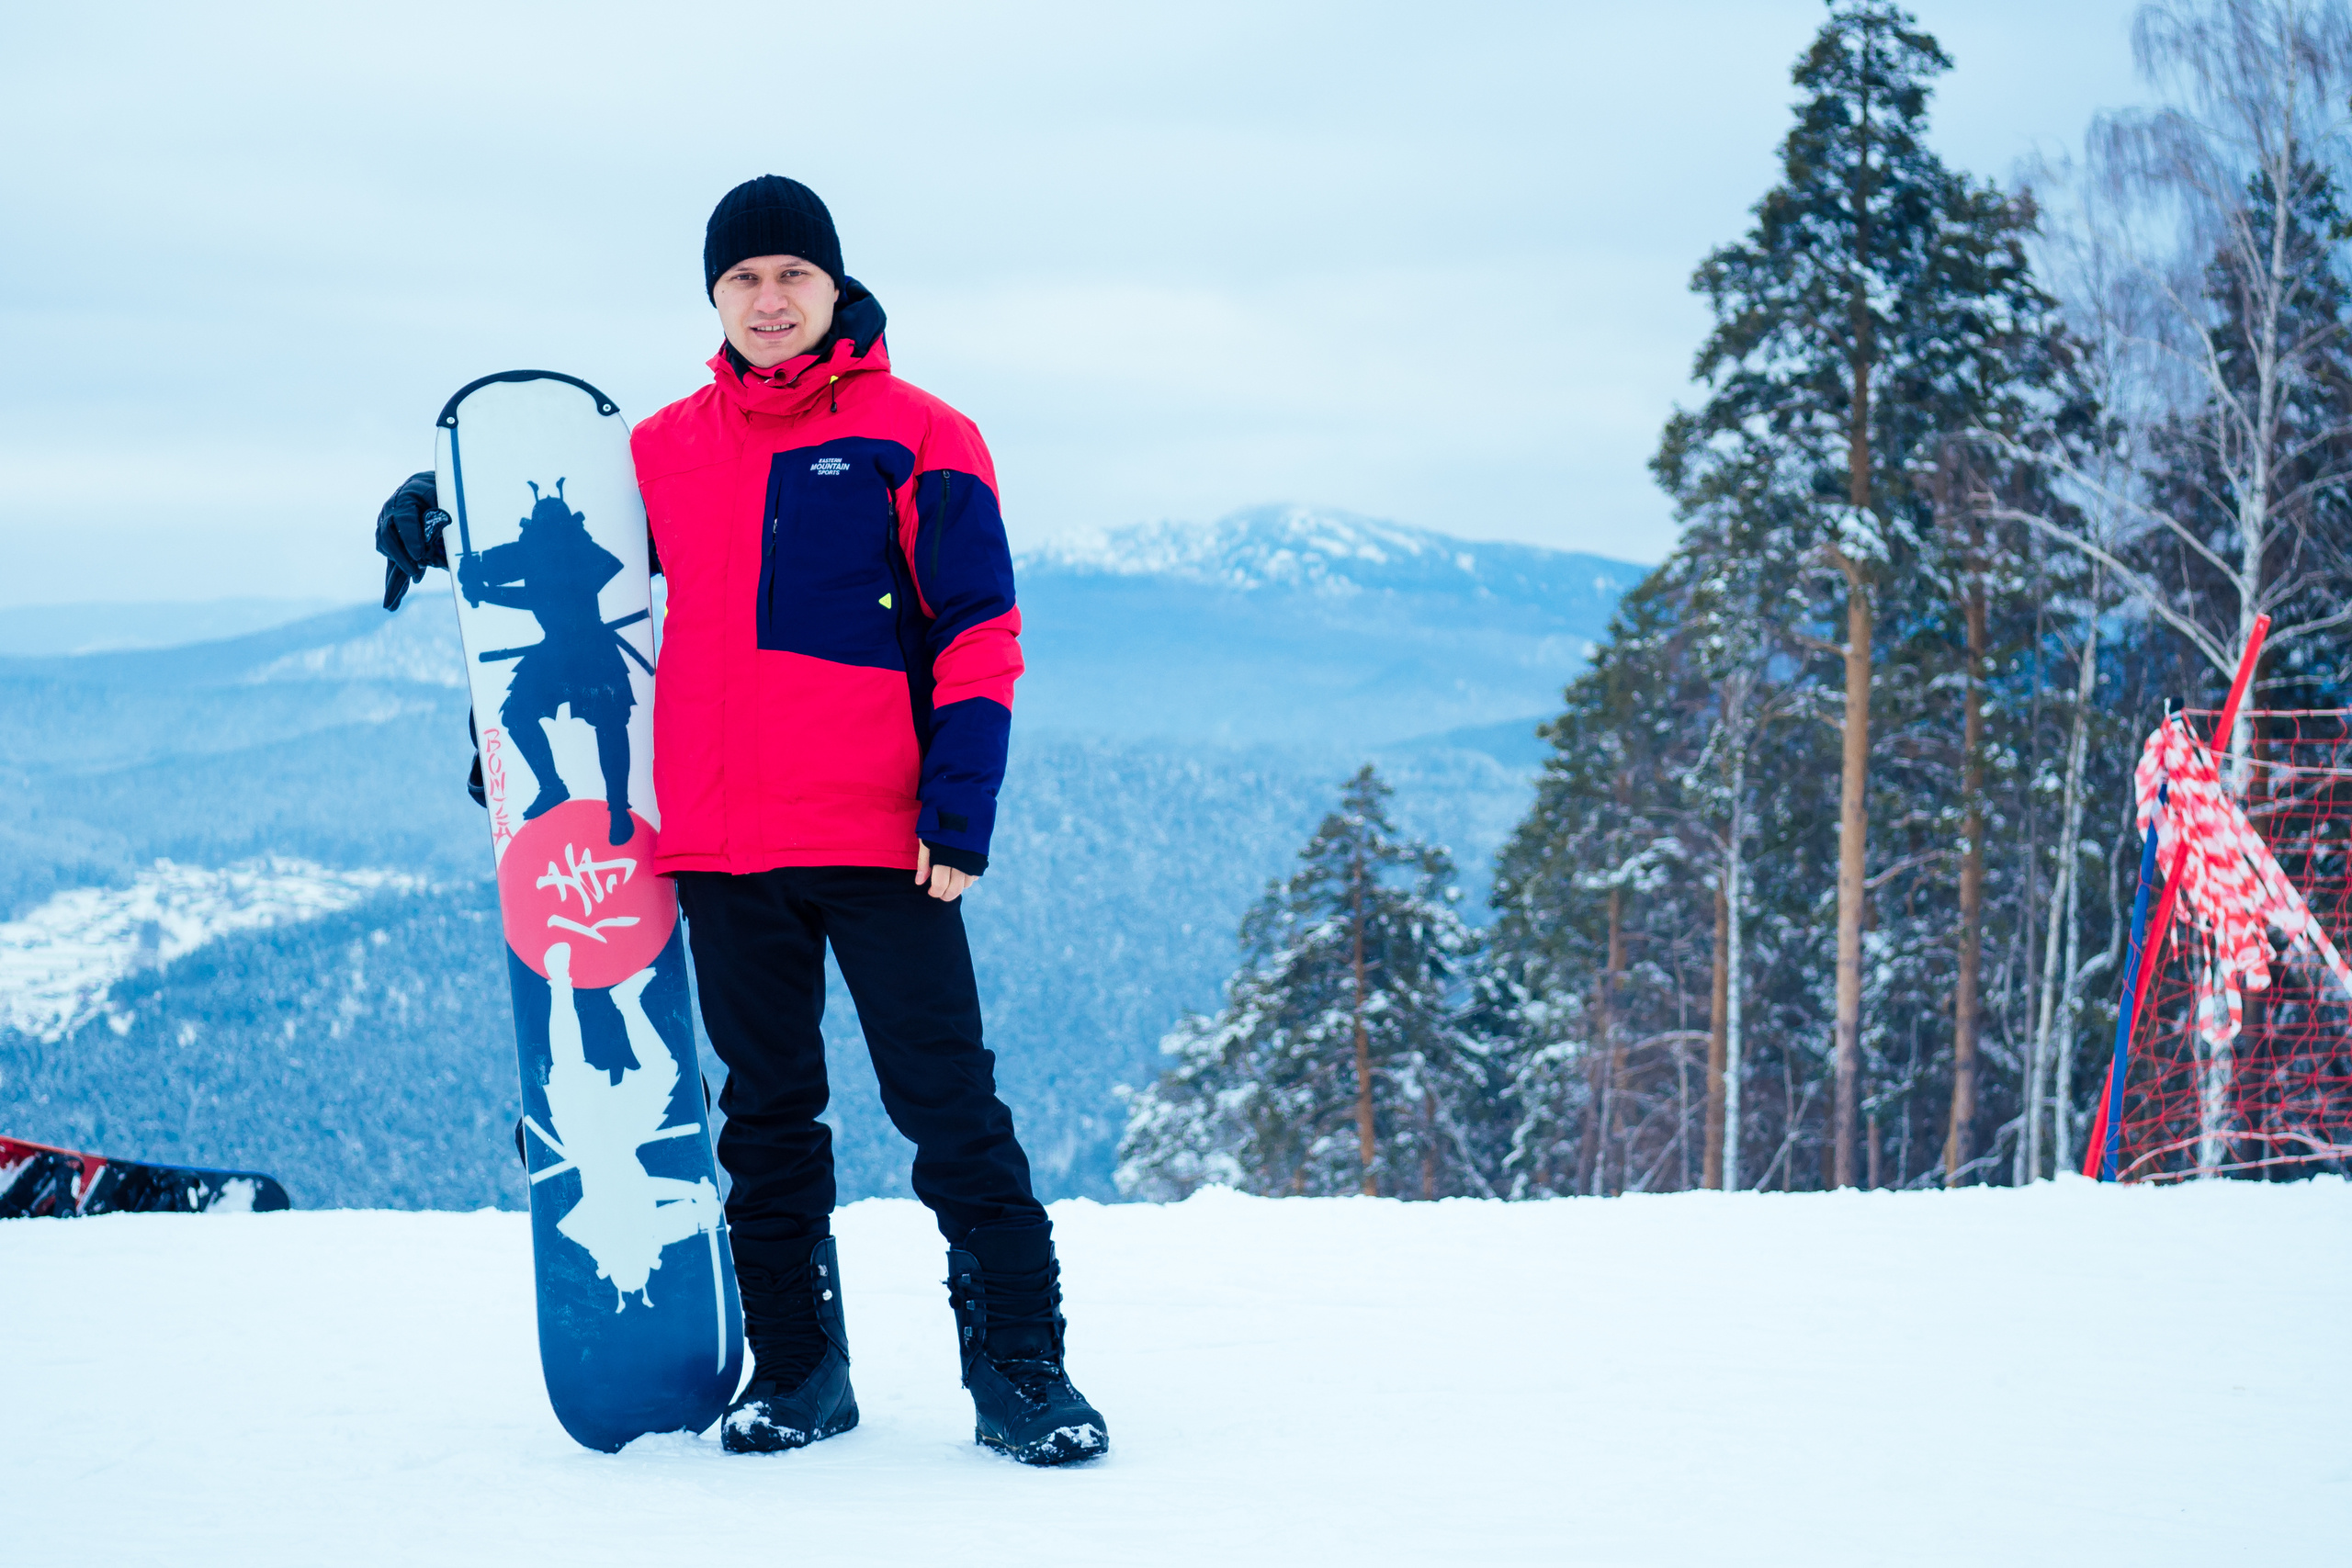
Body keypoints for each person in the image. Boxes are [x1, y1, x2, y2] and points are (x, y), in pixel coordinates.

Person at [374, 175, 1106, 1467]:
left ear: (836, 289)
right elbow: (570, 589)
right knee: (764, 1118)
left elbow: (981, 633)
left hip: (886, 842)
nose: (769, 301)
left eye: (793, 278)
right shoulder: (657, 449)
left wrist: (961, 806)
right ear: (715, 298)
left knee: (950, 1109)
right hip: (718, 846)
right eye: (743, 281)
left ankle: (1022, 1375)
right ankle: (799, 1373)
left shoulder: (922, 437)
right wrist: (443, 519)